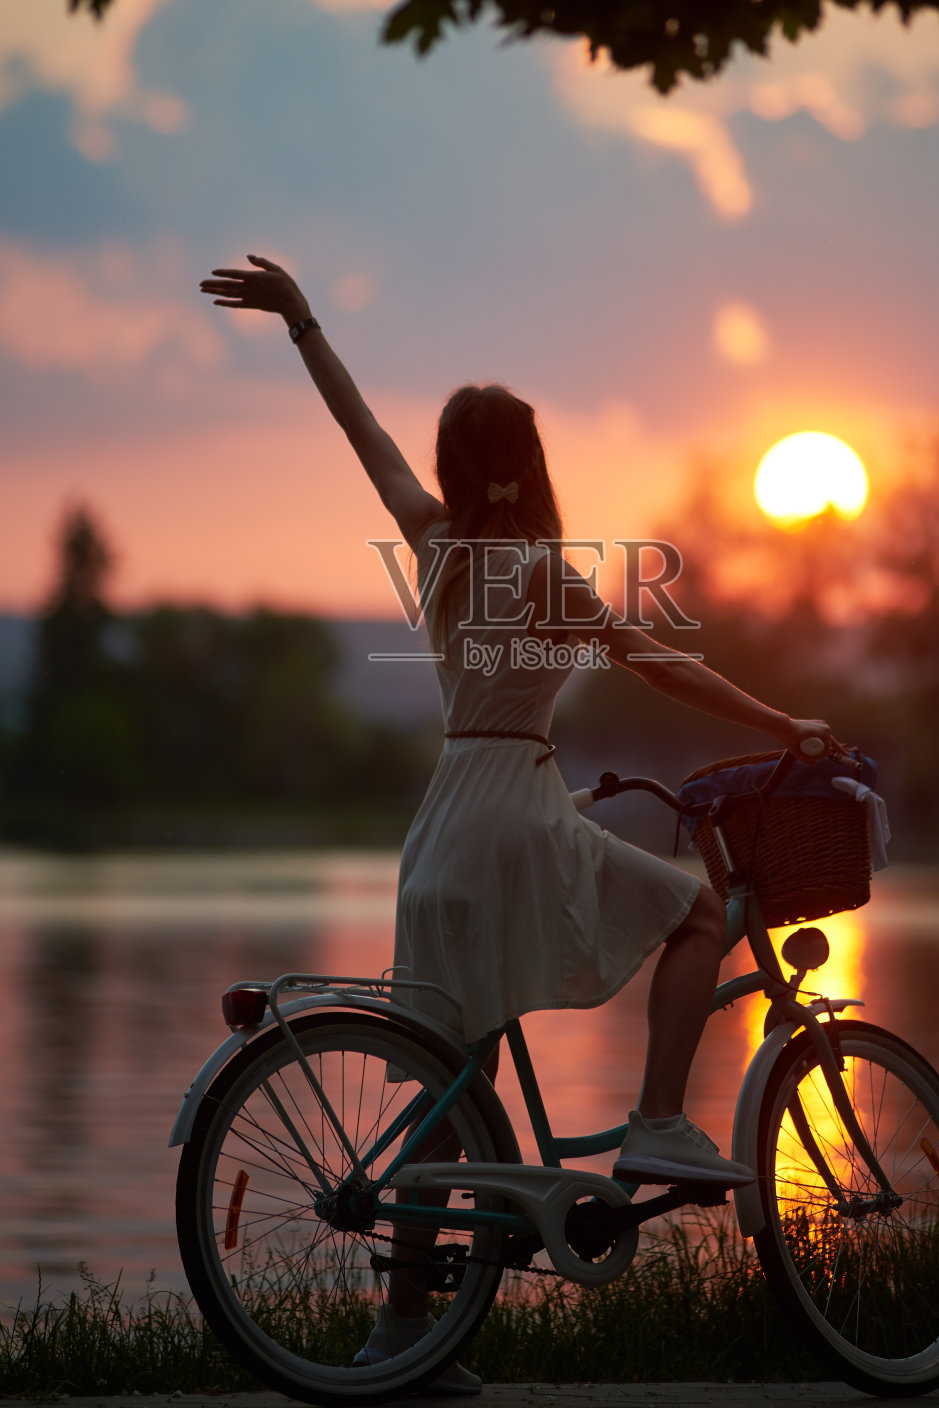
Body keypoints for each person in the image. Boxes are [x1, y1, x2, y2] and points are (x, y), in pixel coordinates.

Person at [200, 256, 843, 1391]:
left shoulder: (435, 549)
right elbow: (660, 665)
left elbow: (364, 438)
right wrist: (780, 719)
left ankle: (403, 1335)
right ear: (531, 466)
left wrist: (304, 322)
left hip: (443, 829)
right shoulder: (544, 572)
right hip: (513, 821)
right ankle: (657, 1121)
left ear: (454, 470)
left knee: (448, 1106)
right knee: (701, 913)